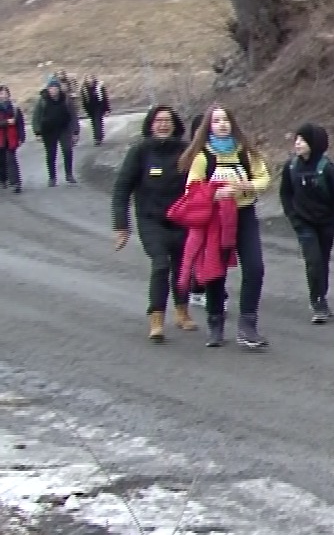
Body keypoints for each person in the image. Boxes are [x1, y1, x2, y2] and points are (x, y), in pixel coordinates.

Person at [183, 106, 274, 350]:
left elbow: (264, 178)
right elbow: (191, 189)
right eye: (216, 121)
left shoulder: (245, 153)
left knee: (255, 268)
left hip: (244, 214)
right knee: (216, 271)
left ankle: (248, 326)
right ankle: (215, 324)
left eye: (226, 120)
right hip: (216, 219)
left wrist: (249, 186)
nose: (222, 124)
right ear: (208, 127)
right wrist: (216, 193)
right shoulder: (203, 157)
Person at [110, 106, 195, 342]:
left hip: (181, 219)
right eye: (158, 120)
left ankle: (182, 311)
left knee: (183, 267)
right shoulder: (140, 151)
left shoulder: (185, 151)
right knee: (160, 264)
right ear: (150, 124)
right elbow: (121, 190)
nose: (163, 124)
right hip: (150, 220)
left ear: (175, 124)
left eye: (168, 120)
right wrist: (121, 226)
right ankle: (156, 318)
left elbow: (200, 184)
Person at [279, 123, 334, 324]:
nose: (298, 144)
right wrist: (293, 216)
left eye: (302, 140)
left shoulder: (326, 167)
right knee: (313, 261)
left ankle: (321, 294)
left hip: (326, 223)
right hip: (303, 222)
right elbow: (285, 193)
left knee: (323, 261)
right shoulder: (291, 167)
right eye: (297, 139)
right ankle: (316, 300)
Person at [32, 75, 76, 186]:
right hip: (48, 131)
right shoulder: (43, 100)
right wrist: (37, 132)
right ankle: (52, 177)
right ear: (48, 89)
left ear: (59, 88)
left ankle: (69, 174)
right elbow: (36, 117)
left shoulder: (65, 99)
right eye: (51, 88)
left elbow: (73, 115)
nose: (54, 90)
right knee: (51, 154)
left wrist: (75, 131)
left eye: (56, 88)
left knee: (67, 150)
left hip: (63, 128)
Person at [0, 86, 22, 193]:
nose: (3, 96)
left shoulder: (14, 108)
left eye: (5, 93)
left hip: (11, 138)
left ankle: (16, 183)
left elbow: (20, 124)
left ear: (9, 94)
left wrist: (22, 137)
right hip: (1, 138)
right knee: (1, 161)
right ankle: (3, 179)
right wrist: (6, 122)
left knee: (11, 160)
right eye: (1, 93)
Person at [82, 76, 110, 146]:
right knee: (94, 122)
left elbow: (105, 98)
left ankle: (97, 138)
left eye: (91, 78)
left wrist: (107, 109)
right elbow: (84, 101)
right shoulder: (84, 88)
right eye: (88, 79)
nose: (90, 80)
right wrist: (86, 110)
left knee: (97, 121)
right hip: (91, 108)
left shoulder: (99, 86)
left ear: (94, 79)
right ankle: (99, 135)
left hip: (99, 106)